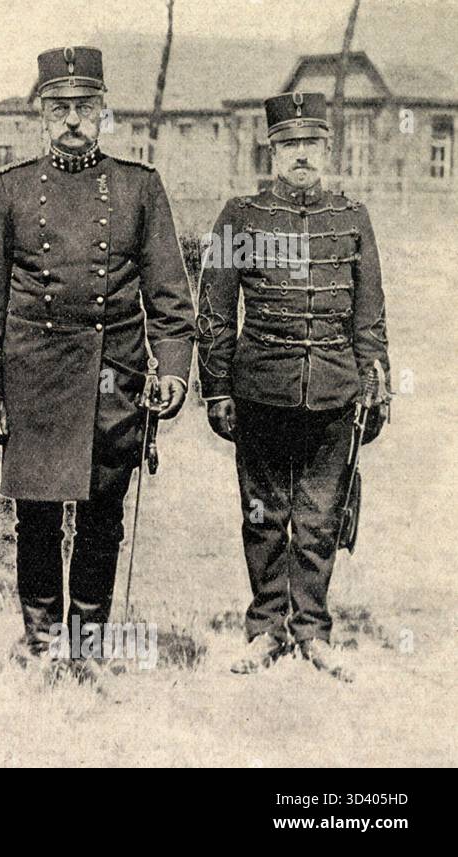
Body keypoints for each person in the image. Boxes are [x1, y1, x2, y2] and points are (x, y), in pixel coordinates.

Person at [0, 46, 195, 669]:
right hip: (32, 371)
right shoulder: (8, 190)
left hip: (112, 373)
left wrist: (172, 368)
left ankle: (88, 639)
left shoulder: (138, 187)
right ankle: (40, 638)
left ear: (103, 112)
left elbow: (170, 294)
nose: (71, 120)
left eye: (84, 107)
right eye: (59, 108)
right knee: (36, 515)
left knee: (101, 513)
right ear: (42, 114)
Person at [196, 91, 391, 683]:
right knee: (262, 514)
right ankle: (265, 628)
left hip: (334, 391)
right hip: (261, 391)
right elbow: (214, 310)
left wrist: (375, 383)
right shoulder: (239, 216)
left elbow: (370, 314)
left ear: (325, 149)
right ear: (272, 150)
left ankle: (312, 630)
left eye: (311, 144)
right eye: (289, 145)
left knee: (321, 517)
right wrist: (217, 388)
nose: (301, 155)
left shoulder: (353, 218)